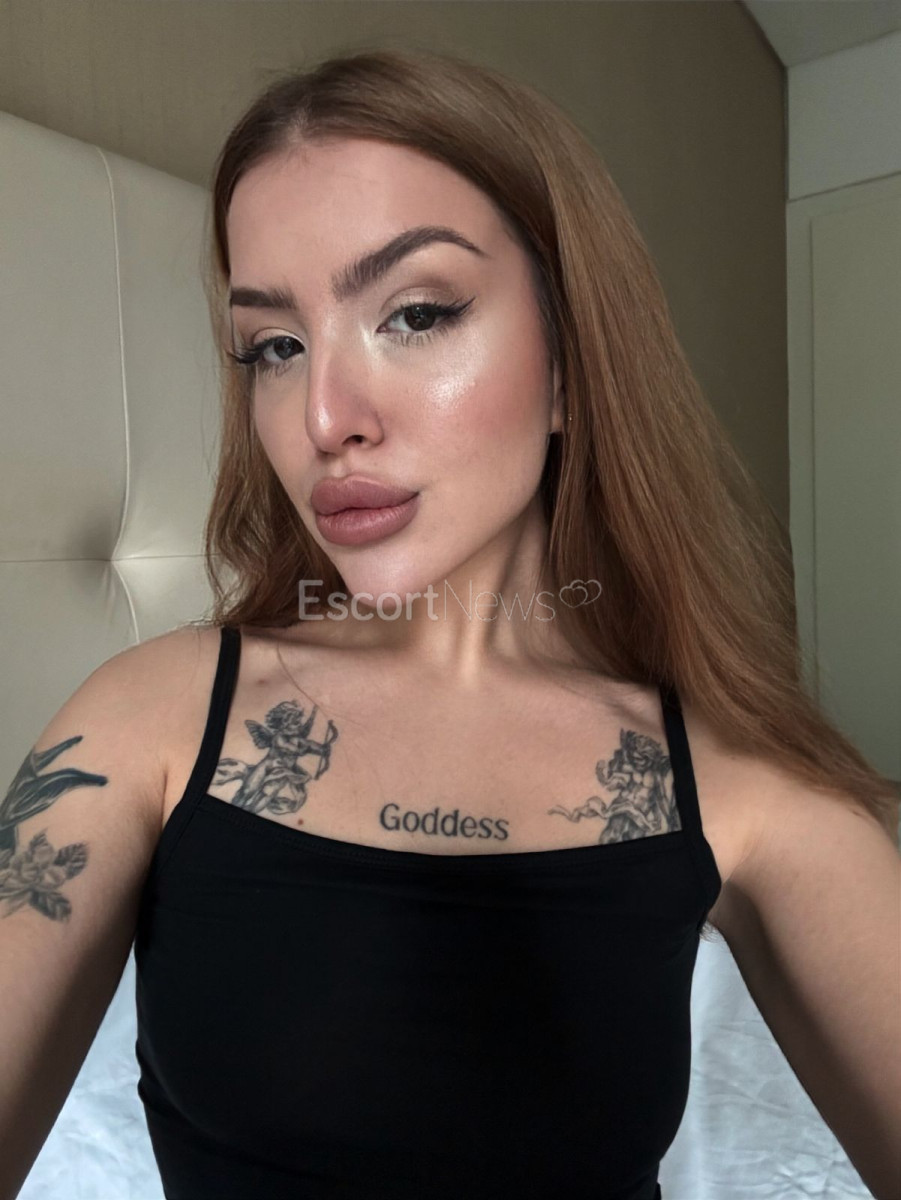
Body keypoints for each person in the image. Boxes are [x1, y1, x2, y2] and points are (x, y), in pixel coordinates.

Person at [2, 44, 899, 1200]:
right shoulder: (153, 718)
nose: (324, 418)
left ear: (570, 363)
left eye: (415, 314)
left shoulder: (741, 789)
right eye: (275, 346)